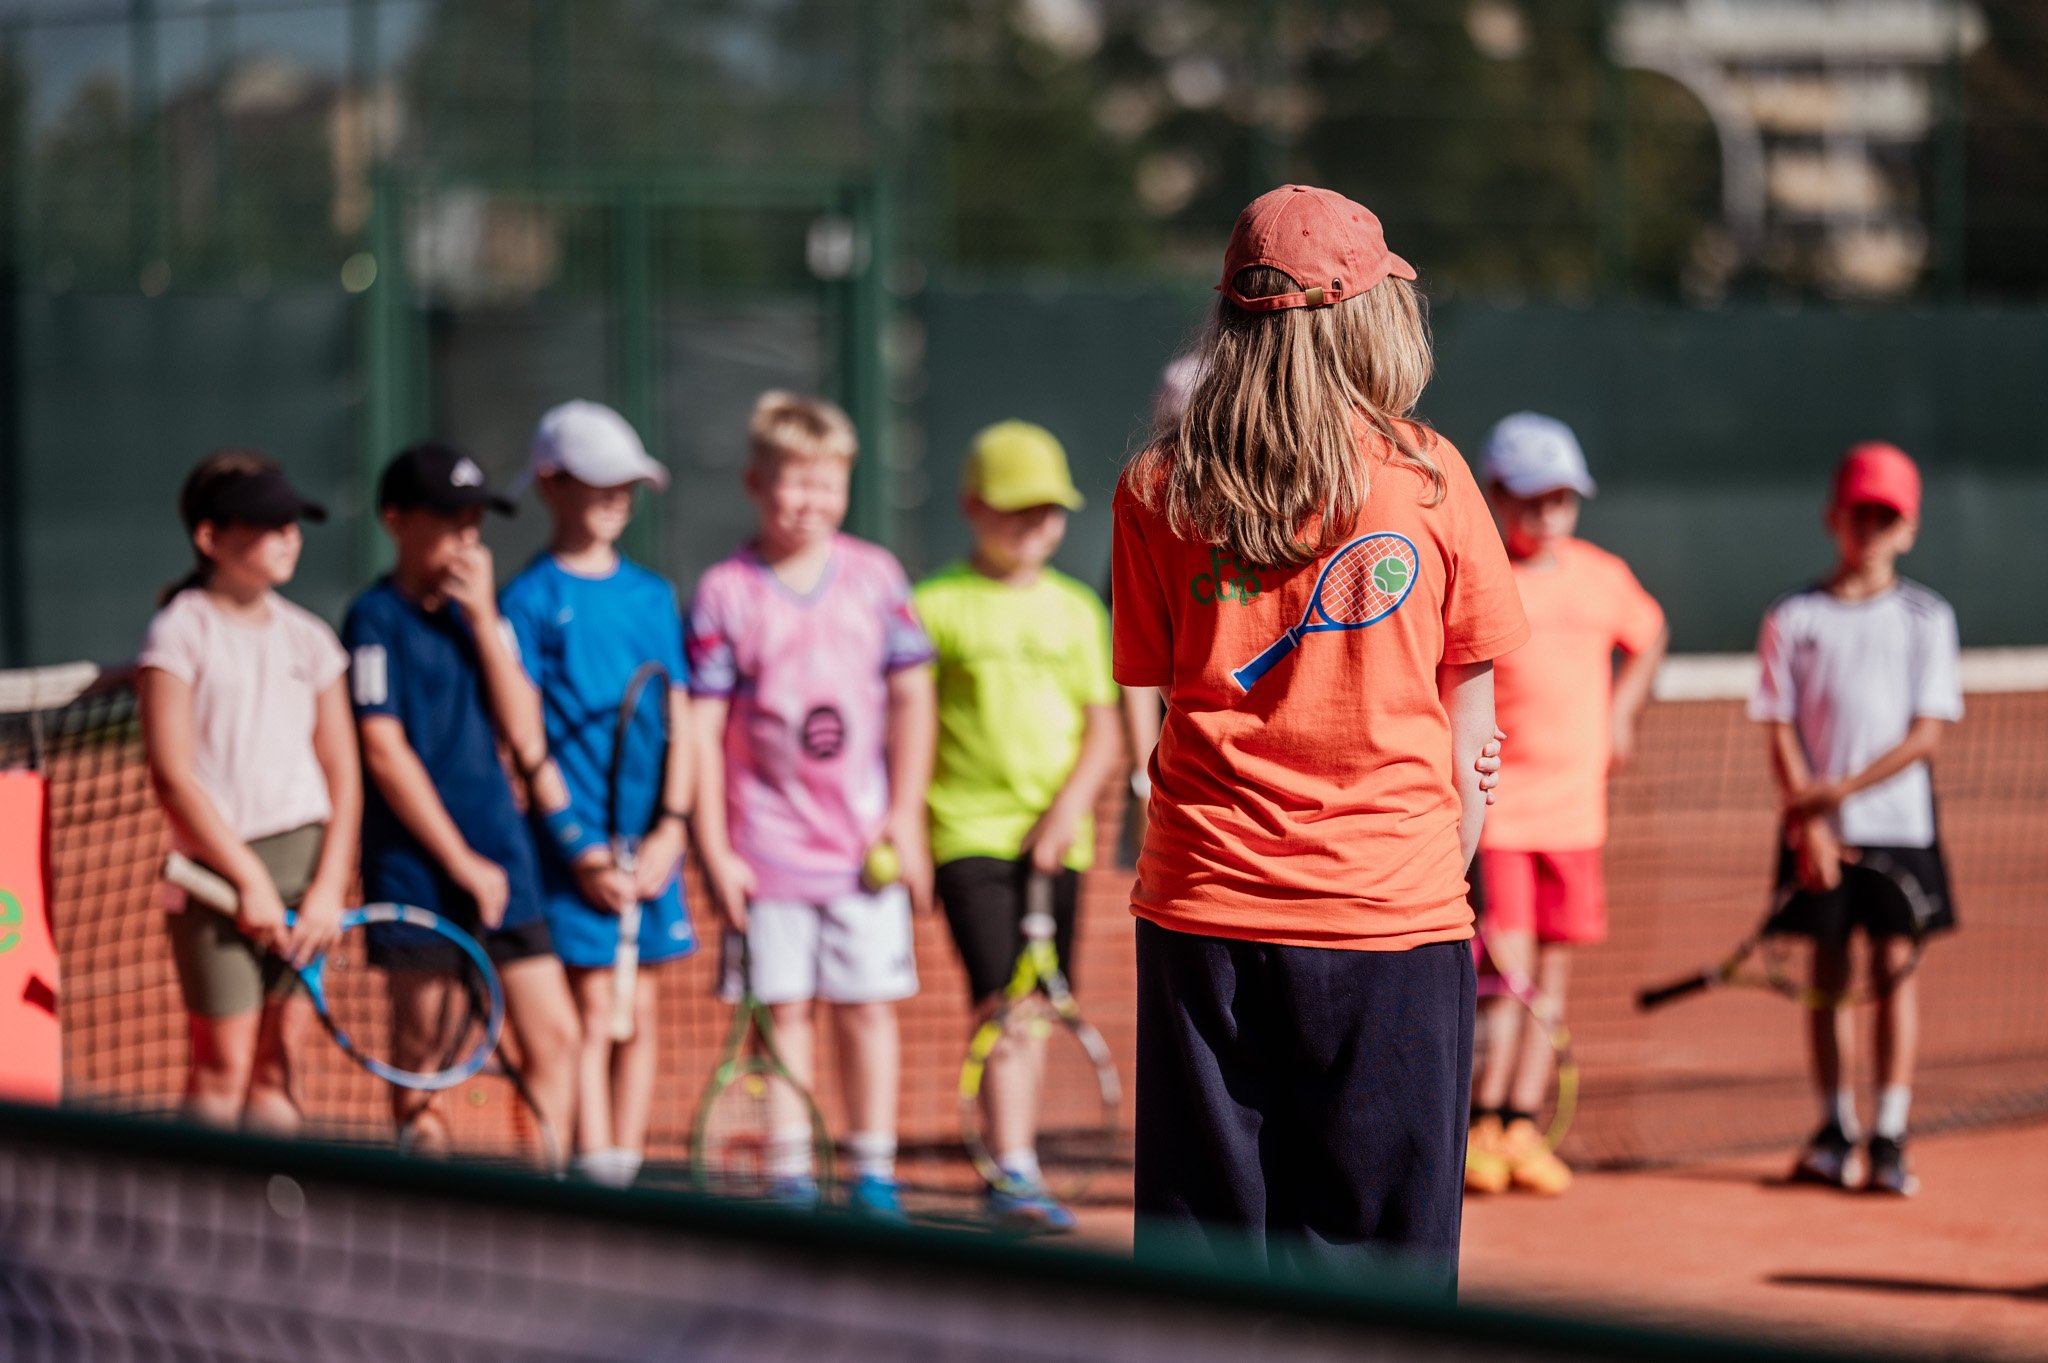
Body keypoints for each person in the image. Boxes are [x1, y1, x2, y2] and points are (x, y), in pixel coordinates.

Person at [1112, 184, 1523, 1287]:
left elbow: (1156, 691)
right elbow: (1470, 744)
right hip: (1388, 917)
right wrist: (1431, 851)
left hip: (1201, 910)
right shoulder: (1430, 479)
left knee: (1204, 1263)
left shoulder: (1153, 484)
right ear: (1368, 315)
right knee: (1375, 1273)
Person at [687, 391, 937, 1218]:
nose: (809, 500)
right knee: (784, 1013)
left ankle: (872, 1171)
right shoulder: (725, 591)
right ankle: (789, 1176)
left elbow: (912, 699)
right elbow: (702, 723)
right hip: (766, 851)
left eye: (827, 482)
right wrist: (715, 846)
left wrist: (904, 814)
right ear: (755, 482)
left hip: (862, 847)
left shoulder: (876, 577)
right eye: (793, 482)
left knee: (865, 1011)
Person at [343, 442, 583, 1164]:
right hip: (418, 873)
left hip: (505, 864)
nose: (466, 539)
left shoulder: (487, 616)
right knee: (428, 1061)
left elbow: (523, 729)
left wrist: (483, 622)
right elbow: (384, 752)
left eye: (474, 522)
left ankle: (545, 1207)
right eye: (449, 521)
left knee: (557, 1038)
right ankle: (429, 1223)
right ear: (396, 521)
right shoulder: (372, 620)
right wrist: (460, 860)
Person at [915, 420, 1124, 1231]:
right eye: (1015, 509)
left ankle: (1017, 1160)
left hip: (1057, 844)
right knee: (1003, 999)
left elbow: (1103, 732)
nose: (1035, 525)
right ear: (973, 508)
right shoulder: (934, 606)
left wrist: (1067, 812)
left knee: (1034, 1004)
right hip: (967, 834)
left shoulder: (1077, 613)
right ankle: (1012, 1166)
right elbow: (912, 729)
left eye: (1049, 510)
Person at [1464, 413, 1668, 1198]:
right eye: (1532, 498)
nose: (1549, 514)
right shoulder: (1482, 578)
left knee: (1550, 976)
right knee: (1503, 977)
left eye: (1563, 499)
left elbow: (1649, 634)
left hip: (1578, 816)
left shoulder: (1601, 575)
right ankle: (1482, 1119)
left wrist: (1621, 710)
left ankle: (1521, 1121)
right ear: (1497, 496)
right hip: (1504, 816)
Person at [1750, 442, 1960, 1197]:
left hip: (1902, 829)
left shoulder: (1927, 617)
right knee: (1829, 976)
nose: (1870, 527)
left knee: (1895, 976)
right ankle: (1835, 1129)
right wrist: (1810, 822)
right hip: (1819, 833)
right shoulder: (1792, 615)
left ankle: (1891, 1133)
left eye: (1886, 516)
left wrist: (1833, 792)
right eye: (1859, 513)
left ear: (1907, 529)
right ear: (1833, 518)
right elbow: (1777, 724)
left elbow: (1927, 733)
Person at [500, 401, 695, 1189]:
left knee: (637, 1011)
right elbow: (526, 737)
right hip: (569, 850)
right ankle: (592, 1170)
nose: (618, 497)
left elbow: (679, 718)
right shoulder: (529, 599)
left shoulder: (652, 596)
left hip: (649, 845)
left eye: (628, 484)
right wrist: (576, 844)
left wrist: (671, 829)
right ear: (550, 486)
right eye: (599, 482)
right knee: (586, 1013)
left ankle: (625, 1164)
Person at [138, 451, 361, 1134]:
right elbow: (172, 773)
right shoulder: (179, 631)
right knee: (222, 1066)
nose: (288, 535)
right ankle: (186, 1230)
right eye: (268, 524)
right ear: (210, 538)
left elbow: (344, 774)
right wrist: (247, 880)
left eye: (292, 522)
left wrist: (327, 888)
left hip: (305, 873)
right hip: (216, 877)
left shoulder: (311, 638)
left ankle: (279, 1227)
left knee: (279, 1062)